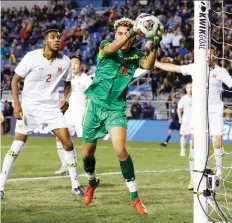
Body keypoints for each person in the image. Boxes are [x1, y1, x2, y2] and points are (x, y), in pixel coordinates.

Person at [81, 17, 163, 214]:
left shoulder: (136, 55)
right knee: (87, 153)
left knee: (120, 150)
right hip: (94, 105)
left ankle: (135, 198)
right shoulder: (106, 46)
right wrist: (132, 31)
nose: (122, 37)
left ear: (134, 39)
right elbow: (111, 48)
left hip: (115, 108)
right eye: (119, 34)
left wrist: (155, 45)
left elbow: (148, 66)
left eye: (126, 34)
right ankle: (92, 182)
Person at [0, 29, 84, 199]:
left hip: (52, 108)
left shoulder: (66, 61)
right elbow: (16, 80)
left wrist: (66, 98)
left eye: (59, 38)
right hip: (30, 108)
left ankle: (75, 186)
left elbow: (67, 83)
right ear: (45, 40)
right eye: (53, 38)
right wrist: (17, 104)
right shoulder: (31, 57)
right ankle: (0, 186)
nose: (57, 40)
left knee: (68, 143)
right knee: (17, 145)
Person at [155, 46, 232, 189]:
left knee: (217, 143)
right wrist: (156, 63)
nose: (208, 56)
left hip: (215, 111)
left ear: (215, 56)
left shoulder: (221, 72)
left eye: (211, 54)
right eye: (206, 54)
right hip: (199, 112)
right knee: (194, 143)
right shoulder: (195, 67)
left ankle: (220, 172)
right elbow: (174, 68)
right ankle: (193, 178)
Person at [54, 55, 92, 175]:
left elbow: (92, 97)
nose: (73, 65)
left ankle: (89, 168)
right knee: (60, 137)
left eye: (76, 63)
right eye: (71, 63)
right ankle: (65, 165)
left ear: (81, 65)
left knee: (86, 142)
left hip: (82, 115)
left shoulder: (87, 79)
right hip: (68, 115)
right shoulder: (67, 80)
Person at [177, 83, 192, 157]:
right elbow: (179, 108)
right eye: (188, 87)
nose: (190, 89)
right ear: (186, 89)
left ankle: (192, 151)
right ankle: (182, 149)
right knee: (184, 135)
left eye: (191, 87)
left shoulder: (197, 97)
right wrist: (180, 118)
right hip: (186, 119)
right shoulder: (183, 98)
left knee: (194, 136)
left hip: (195, 120)